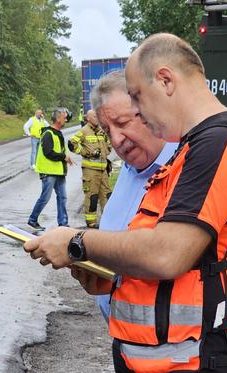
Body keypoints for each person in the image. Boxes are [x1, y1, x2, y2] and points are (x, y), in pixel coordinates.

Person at [24, 33, 227, 372]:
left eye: (137, 97)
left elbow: (166, 253)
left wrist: (76, 241)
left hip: (211, 360)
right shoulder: (191, 152)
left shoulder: (218, 145)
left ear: (165, 80)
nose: (141, 113)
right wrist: (112, 274)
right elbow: (176, 256)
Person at [88, 70, 178, 320]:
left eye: (123, 123)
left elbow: (163, 255)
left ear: (150, 112)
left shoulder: (184, 168)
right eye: (107, 130)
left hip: (168, 352)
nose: (116, 139)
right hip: (127, 341)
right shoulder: (129, 170)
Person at [27, 108, 74, 230]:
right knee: (45, 198)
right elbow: (48, 152)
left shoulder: (57, 133)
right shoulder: (48, 134)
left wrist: (65, 158)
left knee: (62, 197)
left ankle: (63, 223)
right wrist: (64, 157)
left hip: (58, 172)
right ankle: (32, 219)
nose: (66, 120)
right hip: (49, 172)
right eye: (64, 117)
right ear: (58, 119)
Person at [68, 109, 113, 228]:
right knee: (92, 196)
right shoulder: (84, 131)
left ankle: (108, 220)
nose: (97, 118)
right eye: (94, 116)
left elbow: (109, 143)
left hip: (103, 170)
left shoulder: (101, 131)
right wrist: (85, 152)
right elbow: (71, 145)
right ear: (88, 118)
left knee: (107, 195)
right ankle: (91, 222)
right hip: (90, 171)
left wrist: (107, 149)